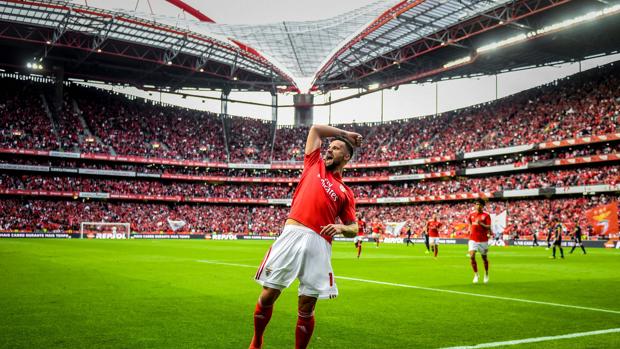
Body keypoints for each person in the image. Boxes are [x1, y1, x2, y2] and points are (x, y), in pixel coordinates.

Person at [249, 125, 362, 349]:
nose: (329, 150)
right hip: (293, 234)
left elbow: (354, 227)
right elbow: (316, 130)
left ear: (346, 157)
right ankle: (257, 340)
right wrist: (344, 135)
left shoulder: (345, 193)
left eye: (336, 148)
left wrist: (341, 229)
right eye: (329, 146)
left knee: (307, 305)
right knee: (268, 294)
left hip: (319, 244)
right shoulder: (313, 164)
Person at [468, 199, 492, 283]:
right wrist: (470, 229)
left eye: (479, 204)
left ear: (482, 206)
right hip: (473, 239)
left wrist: (481, 224)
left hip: (483, 240)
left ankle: (486, 274)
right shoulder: (471, 214)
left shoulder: (486, 215)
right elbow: (470, 222)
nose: (477, 206)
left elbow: (489, 227)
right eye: (476, 204)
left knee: (484, 258)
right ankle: (476, 274)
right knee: (472, 256)